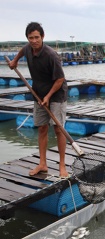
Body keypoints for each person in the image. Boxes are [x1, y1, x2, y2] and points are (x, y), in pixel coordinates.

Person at [8, 22, 68, 177]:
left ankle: (62, 165)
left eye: (36, 37)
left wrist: (48, 97)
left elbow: (60, 79)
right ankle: (43, 164)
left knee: (58, 129)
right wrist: (15, 60)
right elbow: (22, 51)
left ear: (42, 37)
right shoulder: (28, 48)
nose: (34, 41)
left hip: (56, 95)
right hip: (38, 93)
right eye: (30, 38)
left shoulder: (51, 55)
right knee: (42, 128)